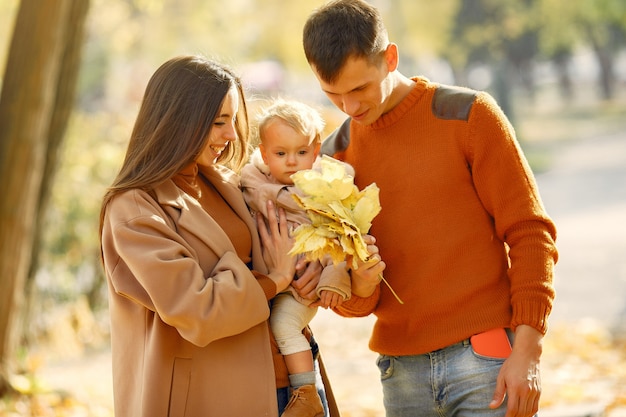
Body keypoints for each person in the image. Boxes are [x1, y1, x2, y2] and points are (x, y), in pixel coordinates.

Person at [302, 1, 559, 417]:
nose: (348, 108)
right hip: (400, 375)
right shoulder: (335, 159)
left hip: (485, 359)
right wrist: (361, 285)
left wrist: (528, 351)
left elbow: (531, 233)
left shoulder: (468, 115)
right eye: (332, 94)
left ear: (390, 58)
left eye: (359, 89)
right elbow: (349, 296)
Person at [99, 55, 339, 417]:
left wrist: (311, 269)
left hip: (289, 385)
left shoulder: (230, 183)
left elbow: (286, 241)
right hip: (214, 397)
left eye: (232, 121)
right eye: (217, 123)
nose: (230, 135)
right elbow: (198, 308)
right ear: (178, 121)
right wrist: (274, 280)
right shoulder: (135, 210)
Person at [241, 98, 352, 417]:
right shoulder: (253, 181)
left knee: (284, 324)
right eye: (280, 153)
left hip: (301, 284)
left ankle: (305, 392)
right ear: (264, 153)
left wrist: (333, 276)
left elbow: (341, 236)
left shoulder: (325, 190)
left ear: (316, 150)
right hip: (270, 282)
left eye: (301, 152)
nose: (291, 162)